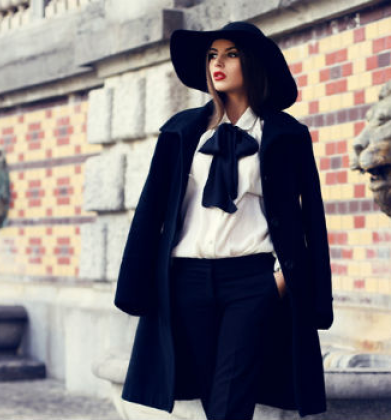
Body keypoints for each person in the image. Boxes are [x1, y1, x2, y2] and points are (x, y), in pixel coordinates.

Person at [114, 21, 333, 420]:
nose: (218, 63)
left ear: (252, 63)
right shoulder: (182, 132)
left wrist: (282, 280)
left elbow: (310, 220)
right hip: (187, 281)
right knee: (215, 402)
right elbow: (150, 211)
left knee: (231, 398)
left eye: (231, 54)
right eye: (212, 55)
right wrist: (135, 283)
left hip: (253, 281)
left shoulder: (285, 135)